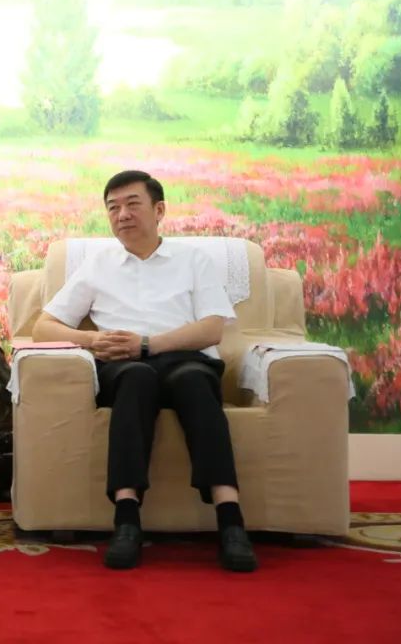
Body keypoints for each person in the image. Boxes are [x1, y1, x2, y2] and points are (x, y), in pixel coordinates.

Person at [32, 170, 257, 572]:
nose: (122, 215)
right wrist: (92, 340)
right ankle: (126, 521)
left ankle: (231, 522)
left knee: (194, 382)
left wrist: (149, 344)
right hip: (123, 365)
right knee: (137, 378)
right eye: (113, 208)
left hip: (184, 358)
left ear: (159, 210)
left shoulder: (193, 260)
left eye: (132, 204)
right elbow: (43, 327)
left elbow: (211, 328)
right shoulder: (98, 265)